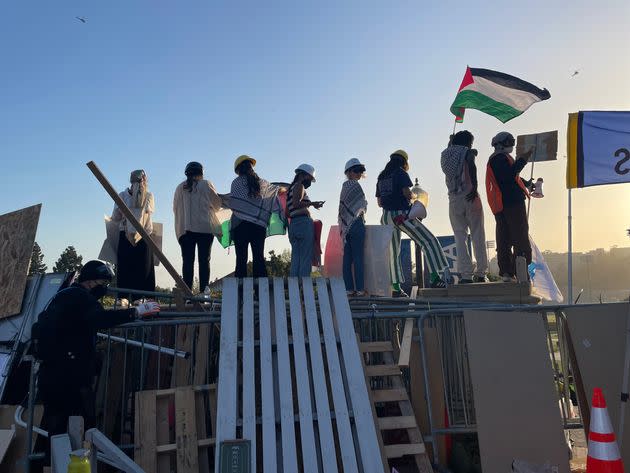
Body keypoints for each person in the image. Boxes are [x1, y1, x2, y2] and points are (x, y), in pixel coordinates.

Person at [32, 261, 159, 471]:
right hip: (70, 378)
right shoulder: (80, 297)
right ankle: (69, 467)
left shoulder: (62, 296)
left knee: (53, 429)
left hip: (51, 375)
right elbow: (100, 318)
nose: (105, 288)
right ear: (91, 282)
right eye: (103, 283)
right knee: (80, 429)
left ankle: (47, 467)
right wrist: (135, 312)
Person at [376, 150, 449, 296]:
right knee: (428, 240)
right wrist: (415, 198)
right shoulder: (400, 173)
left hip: (386, 217)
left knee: (393, 252)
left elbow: (379, 202)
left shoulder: (381, 177)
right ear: (404, 161)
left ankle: (395, 288)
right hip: (401, 215)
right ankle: (435, 278)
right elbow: (406, 193)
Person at [441, 131, 489, 283]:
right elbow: (471, 166)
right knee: (477, 234)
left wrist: (450, 142)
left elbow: (454, 154)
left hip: (454, 200)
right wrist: (474, 187)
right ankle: (481, 273)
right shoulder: (467, 152)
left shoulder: (445, 154)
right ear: (467, 142)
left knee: (460, 237)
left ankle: (466, 275)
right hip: (469, 196)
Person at [486, 132, 534, 282]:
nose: (512, 145)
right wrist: (523, 160)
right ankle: (518, 271)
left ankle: (508, 272)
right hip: (511, 203)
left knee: (505, 238)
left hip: (502, 204)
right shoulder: (498, 158)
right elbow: (508, 176)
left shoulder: (499, 159)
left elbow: (512, 177)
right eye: (509, 142)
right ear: (500, 143)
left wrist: (526, 184)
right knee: (519, 238)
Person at [228, 155, 282, 278]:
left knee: (241, 259)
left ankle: (240, 293)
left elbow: (234, 203)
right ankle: (261, 293)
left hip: (240, 226)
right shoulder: (263, 183)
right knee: (259, 258)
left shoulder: (236, 183)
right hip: (258, 227)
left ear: (238, 169)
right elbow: (274, 194)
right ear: (251, 167)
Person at [173, 161, 223, 292]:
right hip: (205, 230)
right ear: (201, 173)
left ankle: (187, 294)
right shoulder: (206, 185)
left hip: (185, 230)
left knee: (188, 262)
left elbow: (175, 208)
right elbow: (217, 205)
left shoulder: (179, 188)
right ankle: (204, 293)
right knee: (204, 261)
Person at [111, 169, 156, 299]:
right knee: (144, 270)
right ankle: (145, 300)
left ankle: (124, 299)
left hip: (127, 235)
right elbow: (147, 214)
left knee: (126, 269)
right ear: (145, 181)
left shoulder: (122, 195)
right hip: (143, 236)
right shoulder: (148, 195)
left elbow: (115, 217)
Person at [287, 164, 324, 277]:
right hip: (303, 224)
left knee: (296, 259)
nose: (310, 182)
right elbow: (297, 203)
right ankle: (303, 289)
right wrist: (312, 204)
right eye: (310, 178)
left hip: (293, 224)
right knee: (305, 258)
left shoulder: (290, 189)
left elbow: (288, 210)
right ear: (303, 175)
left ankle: (294, 289)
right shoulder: (299, 186)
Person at [338, 158, 368, 296]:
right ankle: (360, 289)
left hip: (346, 226)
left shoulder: (344, 186)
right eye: (356, 170)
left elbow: (343, 209)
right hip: (356, 223)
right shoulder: (355, 186)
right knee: (358, 257)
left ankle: (349, 289)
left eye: (360, 171)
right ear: (348, 172)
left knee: (347, 259)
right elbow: (362, 205)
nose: (359, 173)